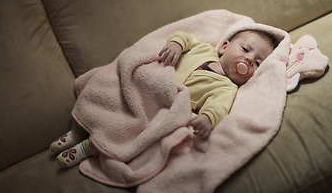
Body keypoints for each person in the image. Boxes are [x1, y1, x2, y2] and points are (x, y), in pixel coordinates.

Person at [50, 30, 278, 168]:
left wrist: (208, 118)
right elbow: (184, 37)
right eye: (246, 49)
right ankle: (76, 131)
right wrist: (175, 45)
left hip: (160, 107)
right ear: (225, 46)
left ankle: (88, 148)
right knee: (107, 96)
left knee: (132, 129)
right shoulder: (203, 49)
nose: (249, 60)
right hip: (145, 84)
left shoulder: (226, 88)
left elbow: (218, 107)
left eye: (258, 63)